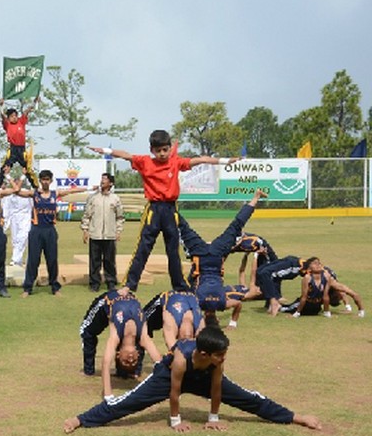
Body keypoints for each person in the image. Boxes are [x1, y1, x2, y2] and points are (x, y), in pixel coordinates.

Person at [63, 326, 322, 433]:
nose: (224, 358)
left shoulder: (216, 360)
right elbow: (174, 393)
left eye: (224, 354)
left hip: (203, 376)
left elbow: (217, 390)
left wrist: (213, 418)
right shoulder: (181, 358)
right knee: (128, 402)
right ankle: (81, 419)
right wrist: (176, 421)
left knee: (247, 397)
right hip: (167, 376)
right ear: (204, 353)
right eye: (220, 355)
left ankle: (295, 417)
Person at [89, 131, 239, 296]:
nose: (162, 154)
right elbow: (126, 155)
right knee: (142, 249)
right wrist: (106, 151)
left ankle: (180, 287)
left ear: (169, 149)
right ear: (152, 150)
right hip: (153, 211)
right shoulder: (145, 162)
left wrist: (225, 161)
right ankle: (129, 285)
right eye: (158, 150)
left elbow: (201, 159)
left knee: (173, 251)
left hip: (170, 211)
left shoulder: (175, 162)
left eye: (165, 150)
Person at [177, 189, 267, 329]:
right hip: (201, 255)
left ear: (217, 319)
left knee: (236, 225)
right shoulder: (197, 304)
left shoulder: (222, 304)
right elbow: (184, 310)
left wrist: (233, 323)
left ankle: (256, 197)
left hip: (217, 255)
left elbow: (238, 304)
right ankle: (165, 203)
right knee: (182, 226)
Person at [16, 169, 88, 297]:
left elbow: (71, 190)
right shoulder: (34, 193)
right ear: (40, 180)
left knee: (52, 260)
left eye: (47, 179)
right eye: (43, 179)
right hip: (36, 230)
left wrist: (89, 188)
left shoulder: (55, 193)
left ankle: (55, 288)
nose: (45, 182)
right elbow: (17, 191)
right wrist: (23, 175)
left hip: (50, 230)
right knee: (33, 260)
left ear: (51, 181)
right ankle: (27, 288)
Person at [81, 173, 124, 292]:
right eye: (102, 179)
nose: (102, 181)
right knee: (94, 261)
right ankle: (94, 283)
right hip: (95, 234)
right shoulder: (93, 197)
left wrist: (118, 231)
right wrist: (85, 230)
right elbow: (87, 215)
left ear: (111, 183)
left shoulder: (115, 199)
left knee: (109, 261)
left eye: (105, 179)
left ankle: (111, 282)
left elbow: (120, 217)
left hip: (110, 235)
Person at [243, 256, 312, 316]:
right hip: (293, 260)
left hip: (295, 265)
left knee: (266, 273)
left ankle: (274, 301)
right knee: (260, 271)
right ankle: (272, 301)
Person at [0, 97, 39, 189]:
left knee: (28, 168)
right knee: (5, 168)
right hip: (13, 149)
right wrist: (1, 106)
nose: (14, 117)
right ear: (9, 118)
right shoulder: (7, 124)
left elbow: (27, 111)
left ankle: (36, 187)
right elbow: (2, 116)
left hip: (22, 149)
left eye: (15, 115)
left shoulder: (21, 122)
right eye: (12, 116)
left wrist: (34, 103)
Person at [1, 175, 33, 267]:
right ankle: (18, 261)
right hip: (14, 218)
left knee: (22, 237)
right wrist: (5, 222)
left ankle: (15, 259)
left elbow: (33, 205)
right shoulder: (9, 195)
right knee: (15, 240)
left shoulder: (26, 192)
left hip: (25, 217)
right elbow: (6, 208)